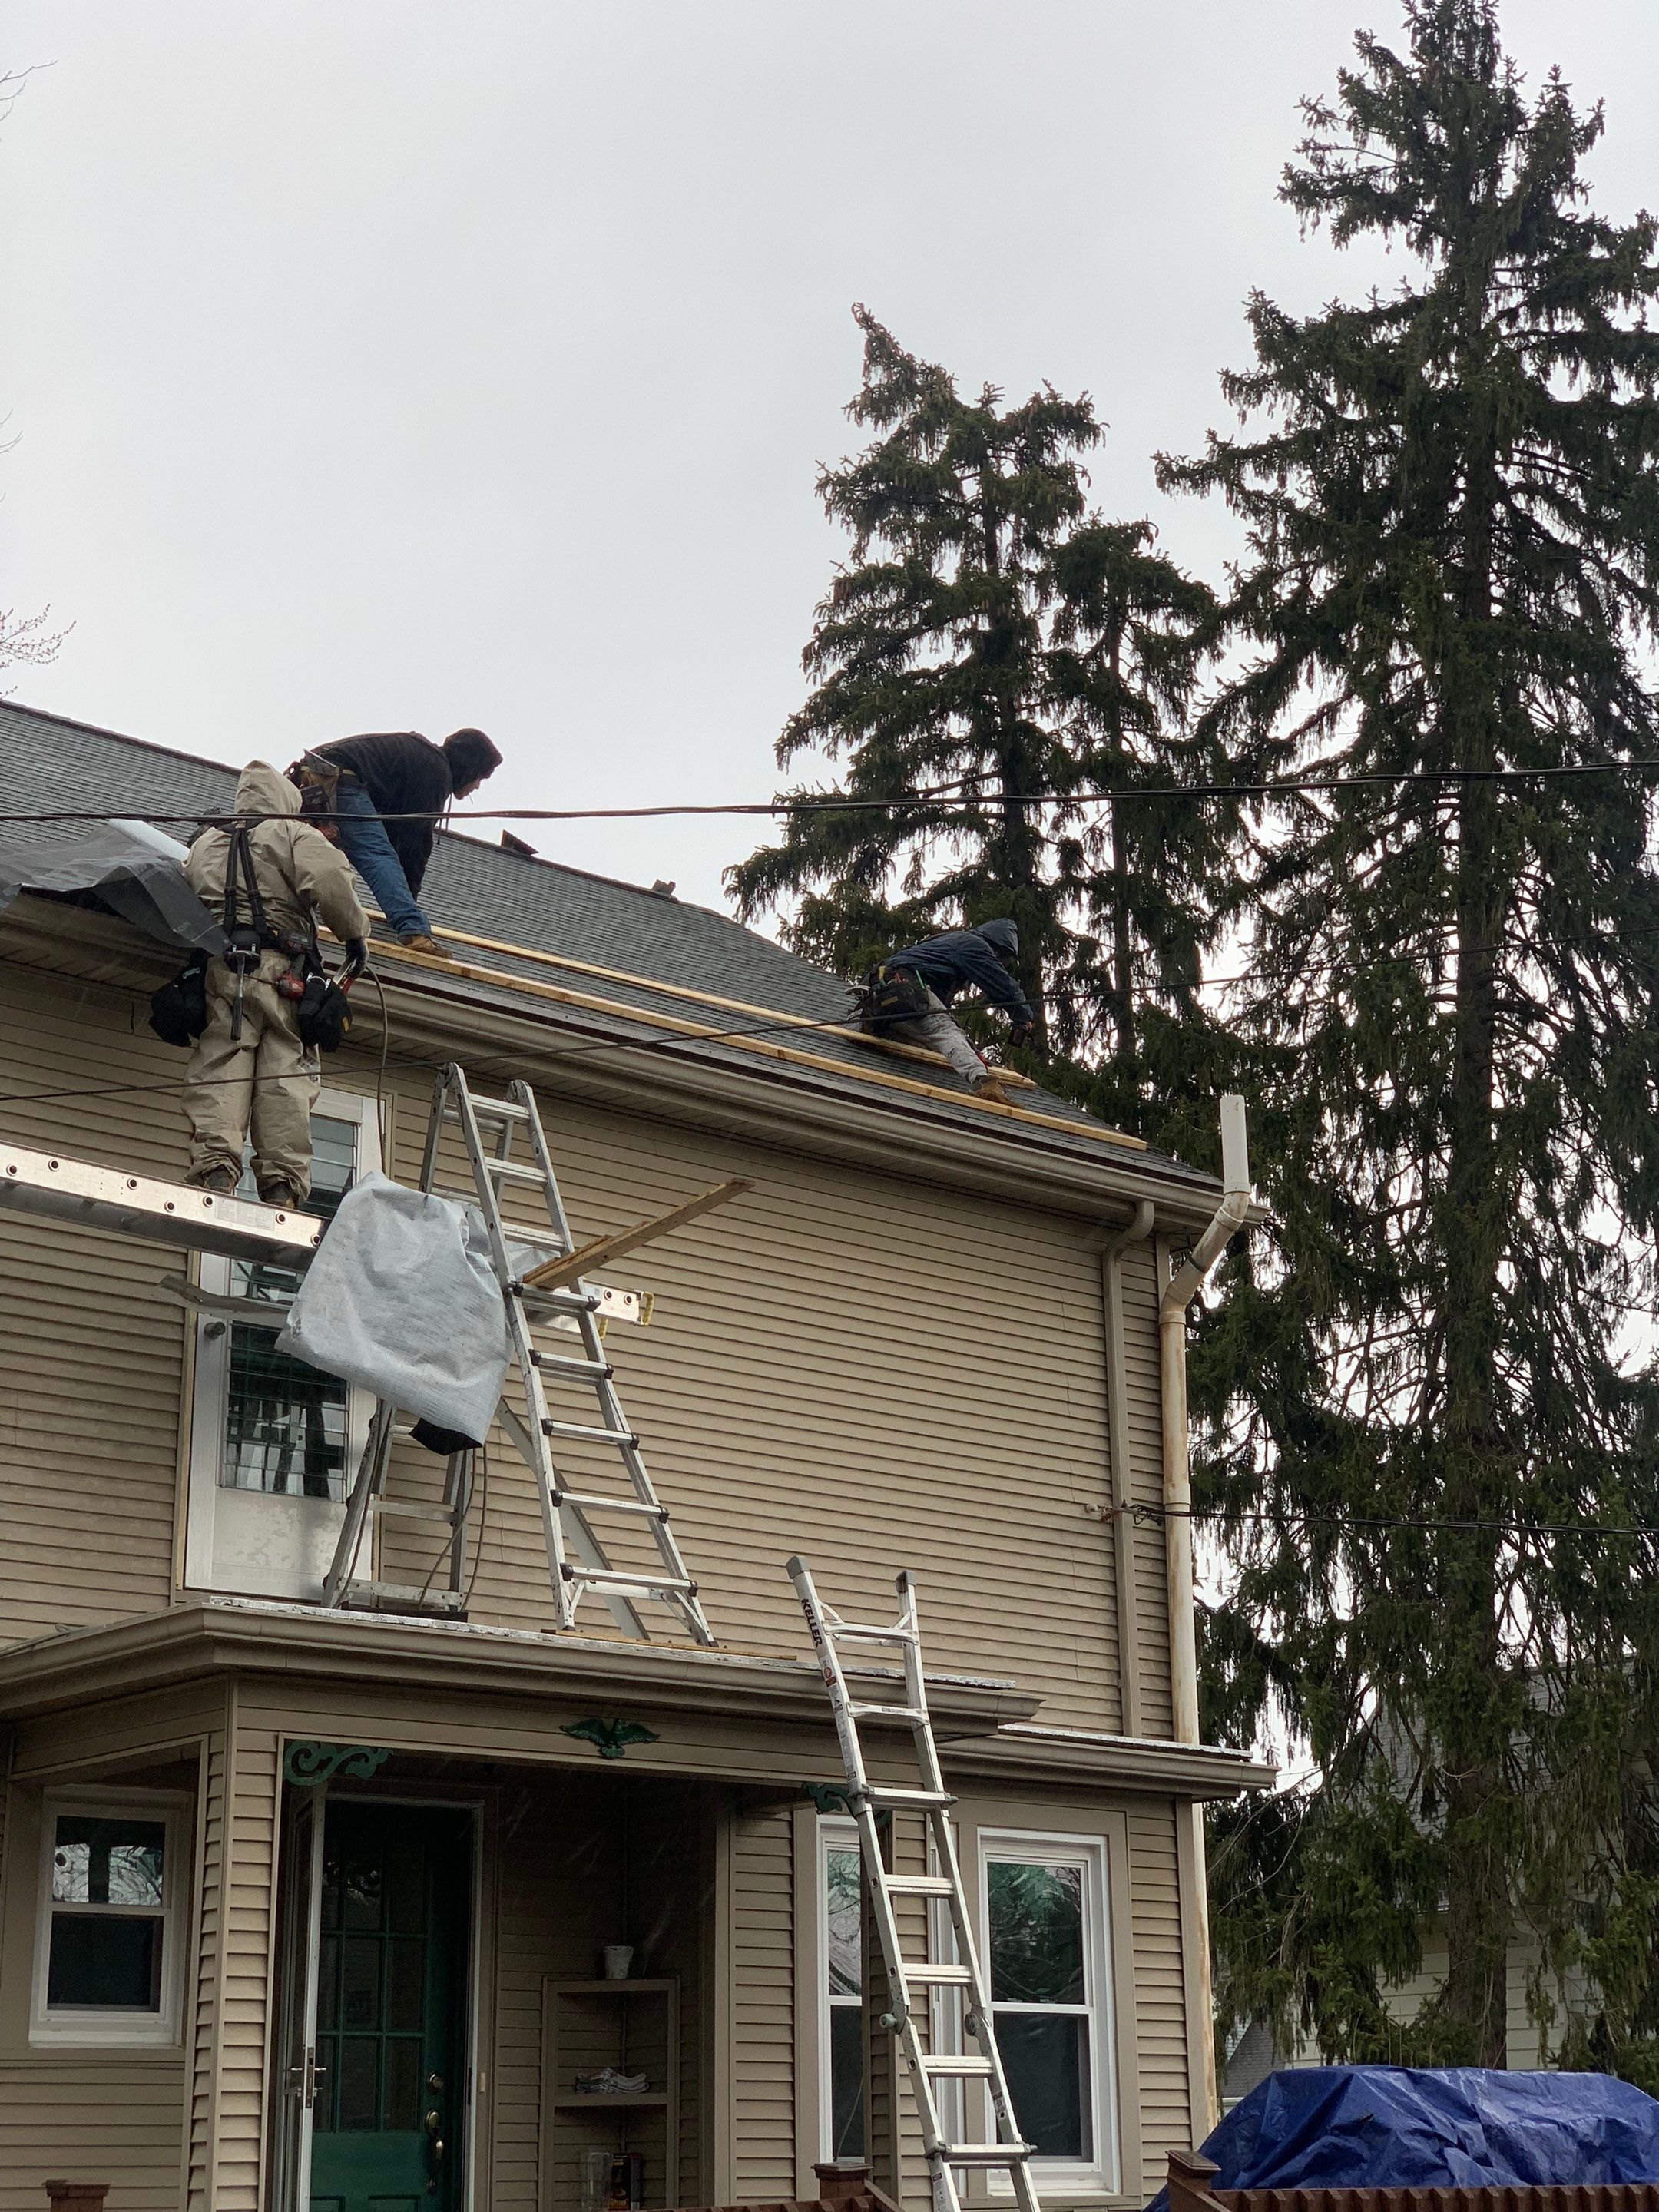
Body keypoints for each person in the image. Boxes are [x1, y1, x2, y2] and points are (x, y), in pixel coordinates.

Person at [181, 761, 369, 1206]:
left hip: (224, 970)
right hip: (285, 973)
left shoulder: (206, 842)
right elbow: (330, 880)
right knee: (285, 1073)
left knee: (222, 1064)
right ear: (287, 802)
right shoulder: (291, 834)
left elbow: (184, 894)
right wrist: (355, 935)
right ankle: (282, 1184)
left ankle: (215, 1171)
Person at [308, 727, 502, 955]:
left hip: (312, 776)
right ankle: (412, 928)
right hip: (339, 779)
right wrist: (408, 900)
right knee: (376, 853)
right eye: (480, 777)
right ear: (469, 767)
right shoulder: (436, 770)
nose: (477, 786)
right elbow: (414, 843)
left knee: (309, 848)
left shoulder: (420, 760)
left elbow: (395, 832)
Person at [862, 917, 1035, 1106]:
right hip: (903, 986)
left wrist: (971, 1049)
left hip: (881, 993)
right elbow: (1003, 985)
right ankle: (982, 1082)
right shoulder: (973, 944)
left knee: (933, 1032)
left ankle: (869, 1025)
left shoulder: (948, 946)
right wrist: (1023, 1016)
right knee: (944, 1031)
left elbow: (939, 1011)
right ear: (998, 945)